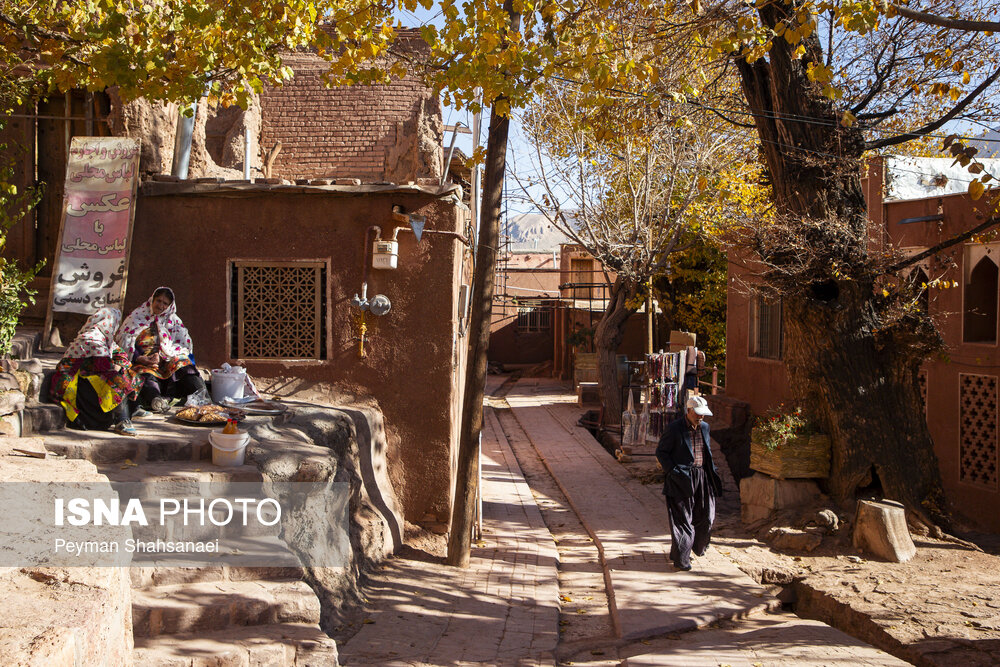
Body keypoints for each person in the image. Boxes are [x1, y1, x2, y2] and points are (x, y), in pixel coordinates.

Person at [656, 394, 724, 571]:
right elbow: (661, 452)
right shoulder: (674, 429)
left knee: (707, 516)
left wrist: (711, 472)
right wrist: (673, 471)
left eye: (703, 414)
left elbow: (706, 451)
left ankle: (691, 549)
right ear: (688, 410)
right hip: (680, 478)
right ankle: (682, 560)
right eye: (697, 413)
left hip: (702, 476)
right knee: (682, 519)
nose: (701, 416)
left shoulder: (705, 428)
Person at [50, 308, 138, 436]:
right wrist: (118, 373)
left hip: (86, 377)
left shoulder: (105, 339)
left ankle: (125, 415)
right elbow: (104, 368)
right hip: (71, 383)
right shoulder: (93, 338)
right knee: (119, 380)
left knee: (126, 373)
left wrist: (118, 366)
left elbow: (122, 356)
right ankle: (122, 420)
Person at [117, 286, 205, 412]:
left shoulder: (174, 321)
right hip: (143, 360)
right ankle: (156, 400)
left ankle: (203, 397)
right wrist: (140, 358)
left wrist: (165, 356)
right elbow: (125, 341)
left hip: (168, 359)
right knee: (146, 374)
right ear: (152, 300)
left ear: (170, 306)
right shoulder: (137, 317)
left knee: (184, 366)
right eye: (158, 301)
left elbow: (184, 345)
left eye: (165, 303)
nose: (161, 306)